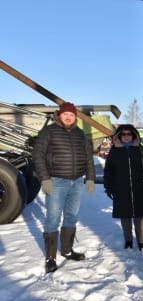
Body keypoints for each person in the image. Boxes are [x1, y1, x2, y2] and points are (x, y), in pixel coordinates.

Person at [32, 101, 95, 273]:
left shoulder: (80, 134)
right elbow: (37, 155)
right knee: (52, 218)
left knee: (71, 217)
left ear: (75, 117)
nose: (68, 117)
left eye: (72, 115)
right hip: (56, 181)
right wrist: (45, 178)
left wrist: (90, 178)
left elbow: (89, 158)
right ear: (59, 115)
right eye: (65, 114)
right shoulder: (49, 131)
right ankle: (50, 258)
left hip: (76, 182)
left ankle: (67, 250)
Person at [103, 124, 143, 251]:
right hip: (121, 188)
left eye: (129, 134)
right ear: (119, 136)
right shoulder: (114, 150)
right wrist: (109, 187)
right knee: (125, 217)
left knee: (139, 217)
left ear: (134, 135)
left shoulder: (139, 149)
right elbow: (108, 170)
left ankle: (141, 242)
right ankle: (128, 240)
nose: (126, 137)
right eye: (123, 134)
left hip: (138, 187)